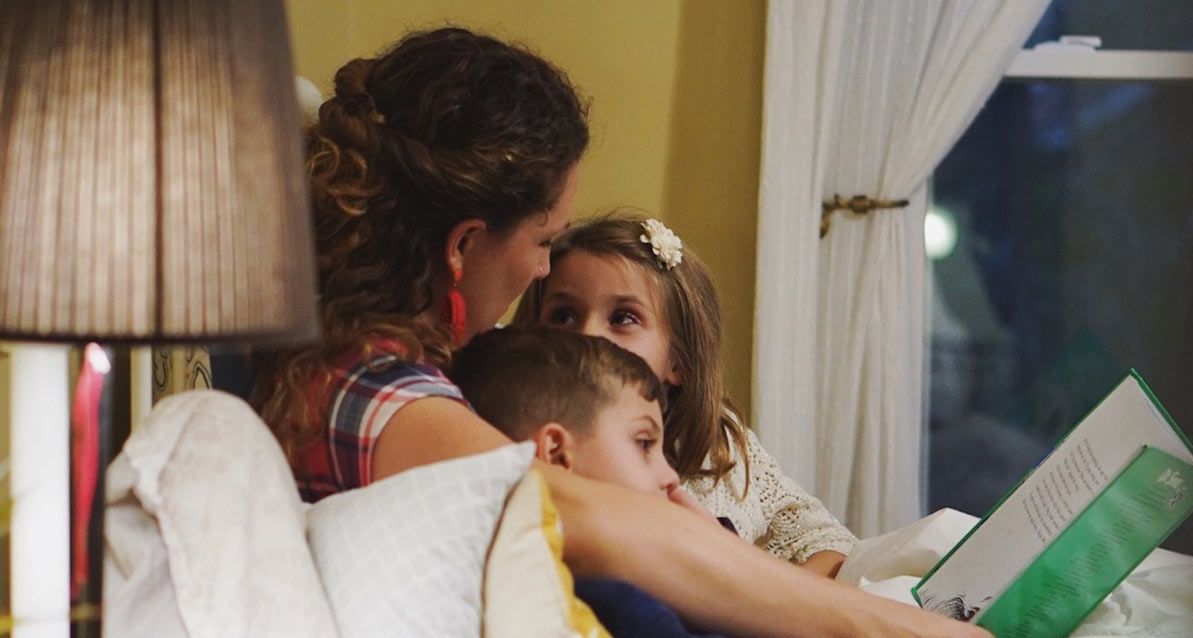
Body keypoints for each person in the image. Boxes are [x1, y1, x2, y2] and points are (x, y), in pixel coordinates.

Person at [252, 25, 990, 638]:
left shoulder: (366, 360)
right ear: (462, 244)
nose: (542, 270)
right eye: (545, 239)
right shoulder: (371, 388)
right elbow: (601, 525)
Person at [513, 213, 855, 578]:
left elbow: (827, 540)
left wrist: (766, 590)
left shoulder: (719, 443)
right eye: (563, 316)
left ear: (678, 361)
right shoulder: (520, 442)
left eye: (623, 318)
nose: (587, 335)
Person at [451, 325, 734, 638]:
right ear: (557, 455)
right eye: (644, 443)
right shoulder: (615, 597)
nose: (670, 477)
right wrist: (719, 565)